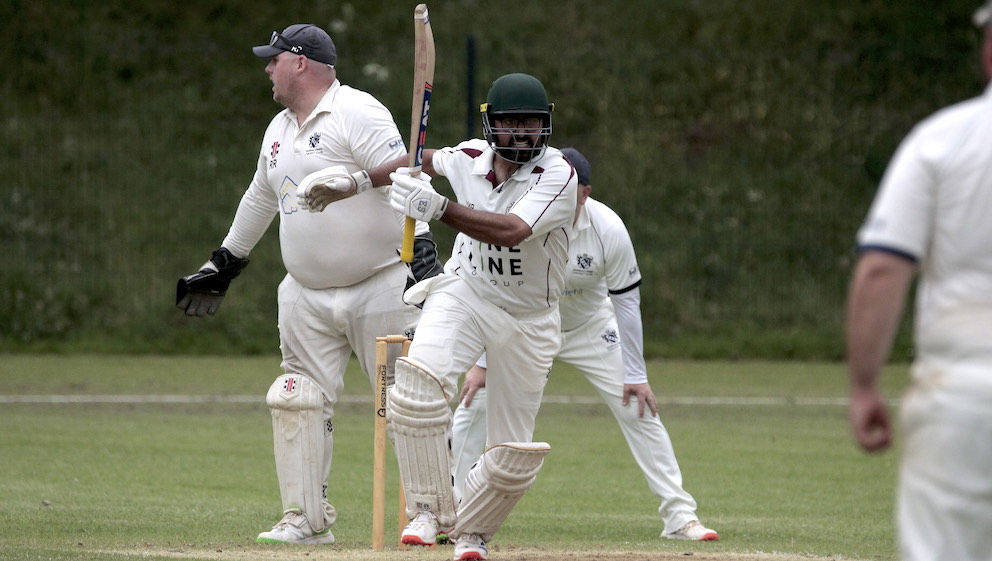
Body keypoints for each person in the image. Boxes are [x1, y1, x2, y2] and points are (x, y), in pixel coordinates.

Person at [175, 24, 442, 545]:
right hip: (305, 294)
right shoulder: (278, 128)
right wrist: (226, 260)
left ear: (300, 62)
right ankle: (305, 518)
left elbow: (408, 174)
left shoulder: (358, 112)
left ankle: (429, 513)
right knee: (296, 398)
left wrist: (424, 251)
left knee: (411, 400)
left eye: (273, 59)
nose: (267, 68)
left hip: (382, 283)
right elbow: (260, 198)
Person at [300, 72, 577, 561]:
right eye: (511, 123)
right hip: (466, 291)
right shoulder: (469, 156)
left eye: (531, 123)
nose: (521, 133)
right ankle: (428, 510)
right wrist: (356, 181)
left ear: (545, 124)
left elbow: (512, 231)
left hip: (529, 318)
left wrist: (438, 206)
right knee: (415, 386)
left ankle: (472, 535)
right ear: (491, 125)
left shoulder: (558, 174)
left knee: (510, 455)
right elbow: (420, 158)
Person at [449, 147, 719, 542]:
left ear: (584, 193)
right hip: (522, 325)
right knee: (474, 404)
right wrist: (482, 362)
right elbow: (491, 290)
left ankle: (680, 517)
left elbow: (626, 301)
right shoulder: (519, 215)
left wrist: (636, 374)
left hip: (589, 327)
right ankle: (453, 510)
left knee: (640, 409)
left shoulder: (608, 228)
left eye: (569, 187)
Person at [845, 5, 992, 560]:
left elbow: (883, 268)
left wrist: (863, 387)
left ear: (988, 50)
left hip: (967, 395)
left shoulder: (941, 140)